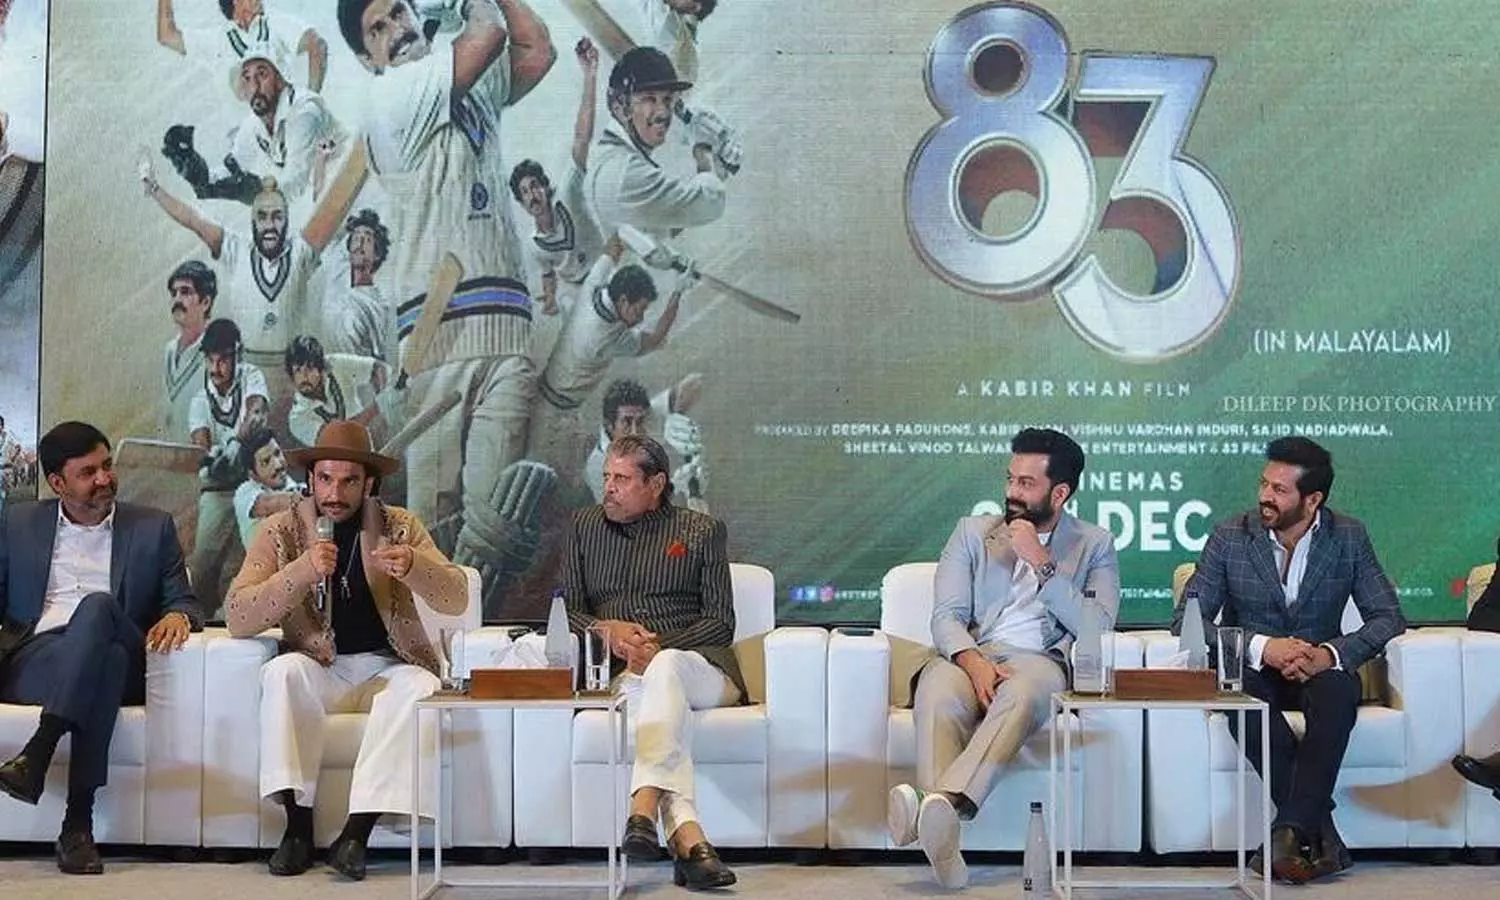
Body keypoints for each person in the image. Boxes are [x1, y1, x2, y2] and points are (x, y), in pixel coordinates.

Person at [334, 0, 555, 586]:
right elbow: (490, 35)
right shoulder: (390, 95)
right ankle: (425, 643)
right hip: (436, 335)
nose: (397, 29)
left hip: (506, 323)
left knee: (489, 524)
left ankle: (474, 639)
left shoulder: (468, 84)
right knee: (433, 529)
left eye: (400, 12)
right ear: (367, 57)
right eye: (378, 28)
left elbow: (536, 49)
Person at [225, 419, 469, 880]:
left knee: (421, 687)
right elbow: (237, 615)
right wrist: (302, 570)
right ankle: (297, 829)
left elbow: (455, 597)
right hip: (320, 665)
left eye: (349, 481)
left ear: (369, 484)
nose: (334, 493)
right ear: (311, 478)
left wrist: (414, 567)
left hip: (387, 666)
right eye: (325, 479)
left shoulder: (400, 527)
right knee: (282, 673)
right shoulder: (280, 531)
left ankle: (355, 835)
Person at [887, 428, 1117, 889]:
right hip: (970, 652)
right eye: (1010, 479)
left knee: (1023, 693)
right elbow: (947, 616)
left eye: (1026, 483)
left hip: (1040, 660)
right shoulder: (972, 533)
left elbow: (1097, 627)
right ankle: (944, 839)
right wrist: (973, 662)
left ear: (1060, 493)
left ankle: (935, 804)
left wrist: (1042, 562)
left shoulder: (1094, 544)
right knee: (937, 692)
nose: (1012, 492)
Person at [1173, 435, 1406, 884]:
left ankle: (1287, 832)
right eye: (1264, 484)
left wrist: (1329, 654)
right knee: (1242, 701)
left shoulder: (1348, 536)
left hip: (1318, 668)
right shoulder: (1230, 536)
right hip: (1252, 670)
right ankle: (1319, 835)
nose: (1265, 495)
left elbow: (1388, 617)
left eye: (1279, 490)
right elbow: (1188, 621)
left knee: (1338, 693)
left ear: (1312, 499)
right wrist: (1264, 647)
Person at [0, 421, 200, 874]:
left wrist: (178, 615)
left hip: (122, 640)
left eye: (107, 466)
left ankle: (39, 749)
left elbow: (184, 599)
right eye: (88, 472)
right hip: (40, 657)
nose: (105, 478)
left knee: (98, 608)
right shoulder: (19, 523)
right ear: (57, 483)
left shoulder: (152, 527)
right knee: (103, 664)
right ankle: (77, 827)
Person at [560, 434, 739, 890]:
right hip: (625, 674)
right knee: (652, 704)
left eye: (622, 479)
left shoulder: (701, 530)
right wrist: (607, 631)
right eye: (607, 476)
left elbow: (721, 624)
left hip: (701, 668)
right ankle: (688, 839)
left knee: (666, 667)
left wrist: (657, 647)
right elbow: (566, 612)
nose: (609, 488)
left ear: (656, 484)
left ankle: (642, 806)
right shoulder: (583, 526)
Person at [587, 46, 730, 242]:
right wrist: (704, 152)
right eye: (649, 99)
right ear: (620, 107)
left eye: (667, 99)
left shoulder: (611, 155)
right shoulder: (626, 171)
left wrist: (715, 173)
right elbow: (708, 205)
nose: (663, 112)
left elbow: (664, 222)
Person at [510, 37, 604, 316]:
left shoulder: (568, 193)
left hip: (606, 268)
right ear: (522, 203)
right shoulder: (535, 245)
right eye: (525, 192)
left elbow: (581, 136)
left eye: (534, 186)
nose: (532, 195)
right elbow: (548, 272)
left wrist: (590, 74)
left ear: (545, 187)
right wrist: (550, 297)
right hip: (577, 290)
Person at [188, 318, 269, 613]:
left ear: (237, 355)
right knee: (201, 568)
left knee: (256, 561)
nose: (216, 368)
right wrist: (212, 458)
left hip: (254, 484)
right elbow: (201, 444)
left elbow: (256, 411)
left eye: (223, 360)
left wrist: (236, 443)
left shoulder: (251, 376)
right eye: (210, 360)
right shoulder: (200, 400)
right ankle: (202, 619)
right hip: (218, 489)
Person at [156, 0, 327, 95]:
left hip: (286, 128)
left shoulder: (273, 22)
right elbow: (167, 36)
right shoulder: (218, 39)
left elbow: (317, 45)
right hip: (245, 141)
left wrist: (311, 100)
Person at [283, 334, 387, 449]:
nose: (304, 376)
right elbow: (339, 437)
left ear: (321, 369)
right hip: (334, 459)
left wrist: (383, 395)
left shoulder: (334, 364)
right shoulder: (297, 418)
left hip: (365, 447)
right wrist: (377, 406)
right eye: (298, 370)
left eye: (310, 368)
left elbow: (379, 368)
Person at [319, 209, 395, 363]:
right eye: (355, 238)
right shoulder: (337, 271)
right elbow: (330, 231)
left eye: (367, 240)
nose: (359, 244)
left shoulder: (376, 306)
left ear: (377, 254)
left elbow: (379, 360)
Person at [162, 261, 216, 438]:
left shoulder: (217, 353)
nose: (177, 299)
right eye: (174, 293)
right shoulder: (169, 351)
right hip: (168, 451)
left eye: (185, 292)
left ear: (205, 302)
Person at [232, 427, 301, 547]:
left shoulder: (297, 488)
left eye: (277, 453)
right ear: (253, 474)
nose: (278, 465)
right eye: (266, 462)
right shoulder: (245, 492)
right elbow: (271, 504)